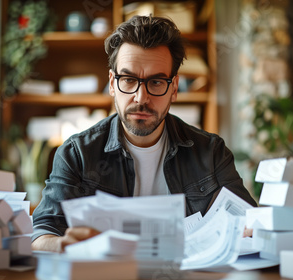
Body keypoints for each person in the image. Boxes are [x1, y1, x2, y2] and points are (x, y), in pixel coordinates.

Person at [31, 15, 257, 252]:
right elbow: (42, 233)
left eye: (157, 82)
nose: (141, 98)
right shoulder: (77, 153)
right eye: (128, 80)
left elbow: (250, 222)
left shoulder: (211, 152)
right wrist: (63, 245)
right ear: (111, 83)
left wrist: (250, 230)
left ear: (174, 88)